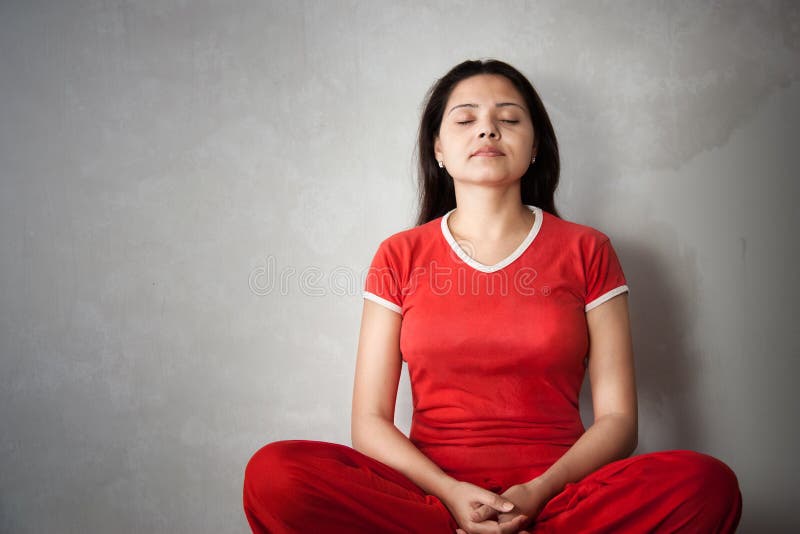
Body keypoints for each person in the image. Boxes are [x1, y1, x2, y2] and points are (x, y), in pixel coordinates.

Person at [242, 59, 743, 533]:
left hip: (558, 500)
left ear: (535, 147)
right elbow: (369, 422)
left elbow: (618, 419)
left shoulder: (587, 249)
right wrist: (450, 493)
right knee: (276, 475)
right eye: (465, 120)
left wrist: (537, 493)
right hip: (430, 501)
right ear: (437, 148)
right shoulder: (399, 255)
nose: (487, 130)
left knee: (705, 484)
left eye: (508, 118)